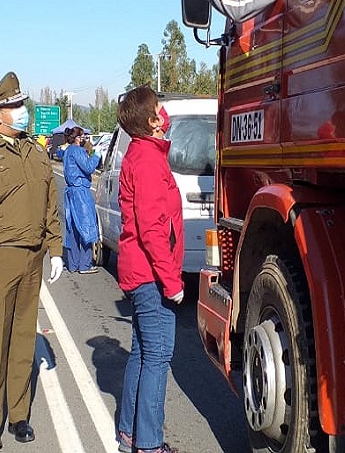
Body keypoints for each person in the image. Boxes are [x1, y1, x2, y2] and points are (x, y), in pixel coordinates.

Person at [0, 71, 66, 451]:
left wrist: (55, 249)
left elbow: (50, 204)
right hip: (1, 257)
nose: (23, 111)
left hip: (34, 257)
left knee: (23, 341)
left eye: (22, 104)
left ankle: (19, 416)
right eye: (15, 106)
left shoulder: (35, 153)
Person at [114, 87, 184, 453]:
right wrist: (172, 282)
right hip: (151, 274)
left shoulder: (143, 153)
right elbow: (153, 229)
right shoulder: (147, 160)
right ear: (151, 120)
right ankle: (150, 443)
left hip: (141, 271)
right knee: (158, 357)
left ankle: (129, 432)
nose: (165, 112)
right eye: (159, 107)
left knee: (142, 351)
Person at [61, 126, 101, 274]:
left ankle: (73, 263)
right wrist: (96, 155)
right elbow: (89, 167)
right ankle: (85, 264)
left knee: (72, 228)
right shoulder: (78, 151)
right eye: (83, 136)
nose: (85, 138)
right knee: (86, 225)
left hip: (71, 192)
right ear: (78, 137)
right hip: (80, 191)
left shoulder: (68, 152)